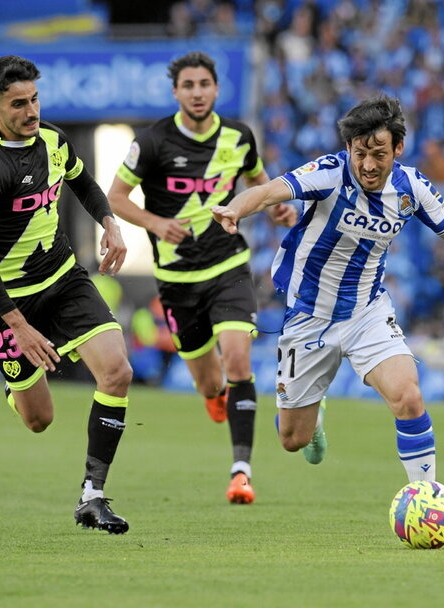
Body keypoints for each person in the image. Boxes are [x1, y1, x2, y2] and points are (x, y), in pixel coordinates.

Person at [213, 96, 444, 485]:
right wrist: (235, 209)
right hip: (309, 316)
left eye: (378, 153)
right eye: (359, 152)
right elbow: (267, 191)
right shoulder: (330, 173)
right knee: (292, 439)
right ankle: (314, 416)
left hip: (366, 313)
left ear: (398, 148)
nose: (367, 164)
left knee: (408, 396)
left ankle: (426, 495)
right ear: (348, 147)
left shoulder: (412, 187)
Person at [107, 51, 296, 504]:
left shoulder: (239, 136)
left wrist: (278, 208)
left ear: (216, 89)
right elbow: (115, 197)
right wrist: (154, 223)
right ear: (176, 92)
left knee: (238, 361)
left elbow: (259, 181)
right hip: (176, 278)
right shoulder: (151, 143)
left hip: (228, 265)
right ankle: (214, 396)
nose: (197, 92)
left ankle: (241, 473)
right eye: (188, 85)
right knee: (211, 383)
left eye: (204, 84)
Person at [0, 55, 133, 533]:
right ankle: (17, 387)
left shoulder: (52, 139)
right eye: (18, 104)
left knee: (116, 370)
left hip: (63, 278)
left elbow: (83, 182)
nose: (31, 111)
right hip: (7, 300)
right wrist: (19, 325)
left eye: (34, 99)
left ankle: (92, 497)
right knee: (39, 420)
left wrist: (110, 224)